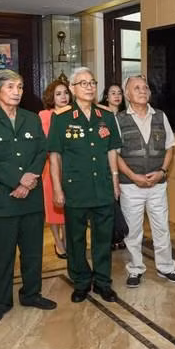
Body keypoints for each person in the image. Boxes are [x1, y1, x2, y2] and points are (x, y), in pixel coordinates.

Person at [0, 69, 57, 325]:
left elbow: (42, 150)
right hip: (2, 199)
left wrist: (29, 179)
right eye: (10, 87)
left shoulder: (31, 119)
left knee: (33, 252)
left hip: (30, 198)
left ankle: (31, 293)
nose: (16, 92)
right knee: (2, 255)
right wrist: (17, 180)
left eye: (19, 87)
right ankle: (0, 301)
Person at [48, 67, 122, 303]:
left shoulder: (106, 116)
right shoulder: (61, 118)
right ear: (72, 88)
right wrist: (58, 189)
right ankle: (81, 282)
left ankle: (102, 282)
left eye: (92, 82)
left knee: (103, 239)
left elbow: (112, 151)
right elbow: (54, 157)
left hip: (102, 187)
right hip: (75, 189)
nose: (89, 87)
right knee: (76, 239)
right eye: (83, 83)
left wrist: (115, 180)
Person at [115, 75, 175, 288]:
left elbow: (170, 148)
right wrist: (133, 176)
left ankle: (166, 267)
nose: (142, 91)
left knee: (161, 228)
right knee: (133, 230)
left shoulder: (160, 116)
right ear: (127, 94)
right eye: (136, 88)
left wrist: (162, 171)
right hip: (130, 186)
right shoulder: (118, 119)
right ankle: (135, 269)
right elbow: (115, 154)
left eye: (145, 87)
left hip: (157, 185)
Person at [39, 78, 71, 259]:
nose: (63, 97)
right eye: (58, 94)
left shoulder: (74, 114)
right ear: (52, 97)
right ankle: (58, 243)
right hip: (50, 167)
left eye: (66, 93)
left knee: (68, 207)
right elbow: (46, 142)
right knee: (53, 206)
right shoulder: (44, 116)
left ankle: (67, 240)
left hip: (71, 167)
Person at [100, 82, 127, 249]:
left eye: (119, 93)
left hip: (125, 163)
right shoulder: (101, 116)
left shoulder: (126, 116)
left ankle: (120, 236)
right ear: (106, 97)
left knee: (122, 201)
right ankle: (110, 236)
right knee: (111, 202)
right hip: (108, 163)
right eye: (113, 93)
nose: (117, 96)